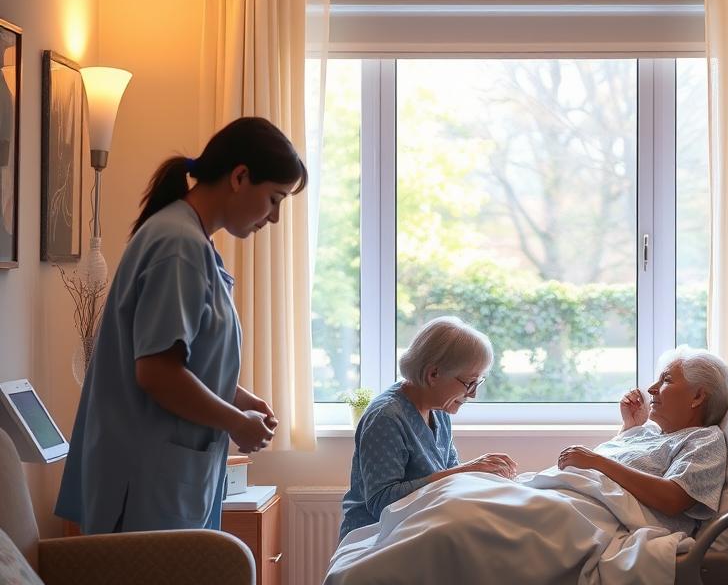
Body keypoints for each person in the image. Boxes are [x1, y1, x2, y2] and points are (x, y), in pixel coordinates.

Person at [55, 116, 307, 535]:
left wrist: (238, 397)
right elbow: (156, 372)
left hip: (162, 478)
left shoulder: (190, 241)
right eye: (275, 199)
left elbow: (184, 360)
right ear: (240, 177)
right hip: (146, 484)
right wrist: (234, 421)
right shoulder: (179, 247)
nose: (274, 218)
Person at [339, 316, 517, 541]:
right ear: (434, 374)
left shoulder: (439, 409)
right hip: (375, 537)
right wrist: (464, 471)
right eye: (469, 383)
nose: (473, 394)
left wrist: (487, 479)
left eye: (478, 383)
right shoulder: (386, 417)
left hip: (418, 529)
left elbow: (449, 476)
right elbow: (381, 502)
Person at [557, 346, 728, 534]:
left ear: (697, 396)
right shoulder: (650, 432)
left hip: (586, 513)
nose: (651, 389)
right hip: (571, 498)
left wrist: (596, 462)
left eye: (666, 380)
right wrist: (629, 428)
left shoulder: (705, 439)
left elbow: (673, 499)